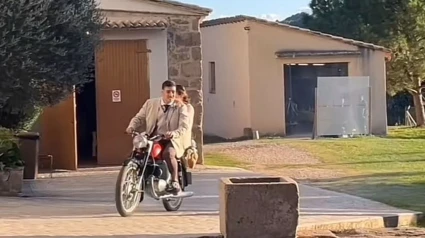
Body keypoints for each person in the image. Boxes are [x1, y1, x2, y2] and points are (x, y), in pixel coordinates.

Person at [126, 80, 189, 194]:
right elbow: (139, 117)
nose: (171, 95)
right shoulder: (150, 103)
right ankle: (135, 176)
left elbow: (184, 126)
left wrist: (174, 133)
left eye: (173, 92)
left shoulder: (180, 107)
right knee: (138, 151)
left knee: (168, 154)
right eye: (168, 92)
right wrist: (131, 126)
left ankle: (174, 182)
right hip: (153, 137)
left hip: (172, 139)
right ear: (162, 92)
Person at [175, 85, 194, 149]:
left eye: (175, 95)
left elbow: (186, 124)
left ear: (181, 95)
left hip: (182, 139)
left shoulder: (188, 107)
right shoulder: (174, 107)